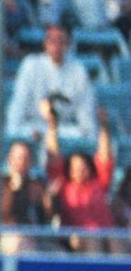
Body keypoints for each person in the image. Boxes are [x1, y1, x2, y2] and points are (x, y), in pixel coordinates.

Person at [7, 23, 99, 140]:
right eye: (52, 40)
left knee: (81, 135)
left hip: (63, 131)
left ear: (68, 44)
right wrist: (19, 133)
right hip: (34, 128)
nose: (56, 45)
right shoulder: (31, 65)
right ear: (44, 44)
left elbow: (86, 112)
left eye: (61, 40)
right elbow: (18, 105)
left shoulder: (78, 70)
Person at [42, 104, 115, 252]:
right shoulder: (64, 184)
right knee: (93, 242)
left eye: (83, 167)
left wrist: (104, 125)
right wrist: (52, 125)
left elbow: (105, 155)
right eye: (75, 168)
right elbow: (53, 154)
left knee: (120, 242)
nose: (79, 171)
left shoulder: (99, 183)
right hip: (76, 237)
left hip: (107, 233)